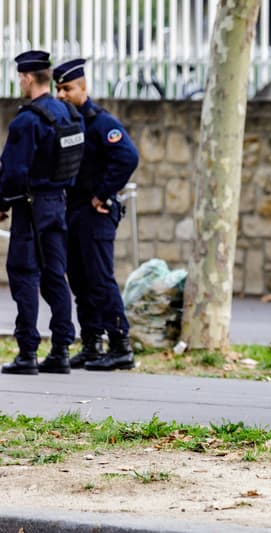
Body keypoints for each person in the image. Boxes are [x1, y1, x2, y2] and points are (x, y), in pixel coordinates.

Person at [0, 51, 84, 375]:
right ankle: (61, 350)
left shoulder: (27, 120)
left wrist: (2, 203)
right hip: (57, 203)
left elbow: (12, 172)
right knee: (54, 276)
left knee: (24, 275)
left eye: (20, 78)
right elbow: (74, 160)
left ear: (27, 78)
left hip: (30, 206)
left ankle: (27, 353)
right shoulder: (67, 113)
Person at [53, 58, 140, 371]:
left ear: (83, 87)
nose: (61, 94)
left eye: (67, 88)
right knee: (79, 278)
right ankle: (92, 343)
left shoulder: (100, 121)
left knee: (100, 279)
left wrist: (103, 194)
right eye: (58, 89)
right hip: (73, 210)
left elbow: (128, 157)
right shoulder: (66, 122)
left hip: (96, 213)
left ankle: (121, 345)